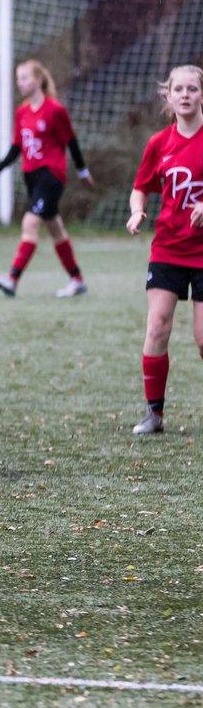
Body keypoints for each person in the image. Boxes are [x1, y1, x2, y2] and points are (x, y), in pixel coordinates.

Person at [125, 64, 203, 435]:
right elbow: (140, 186)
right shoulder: (159, 143)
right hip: (168, 248)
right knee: (157, 325)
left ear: (202, 94)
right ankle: (154, 414)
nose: (186, 94)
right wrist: (137, 210)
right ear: (168, 97)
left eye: (192, 88)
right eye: (179, 89)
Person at [0, 59, 95, 298]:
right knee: (55, 229)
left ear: (38, 80)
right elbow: (16, 147)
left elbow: (71, 142)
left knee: (30, 223)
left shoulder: (55, 110)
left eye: (24, 78)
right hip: (31, 177)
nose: (19, 83)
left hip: (51, 175)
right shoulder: (22, 112)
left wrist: (82, 171)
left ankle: (12, 279)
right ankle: (77, 279)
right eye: (18, 79)